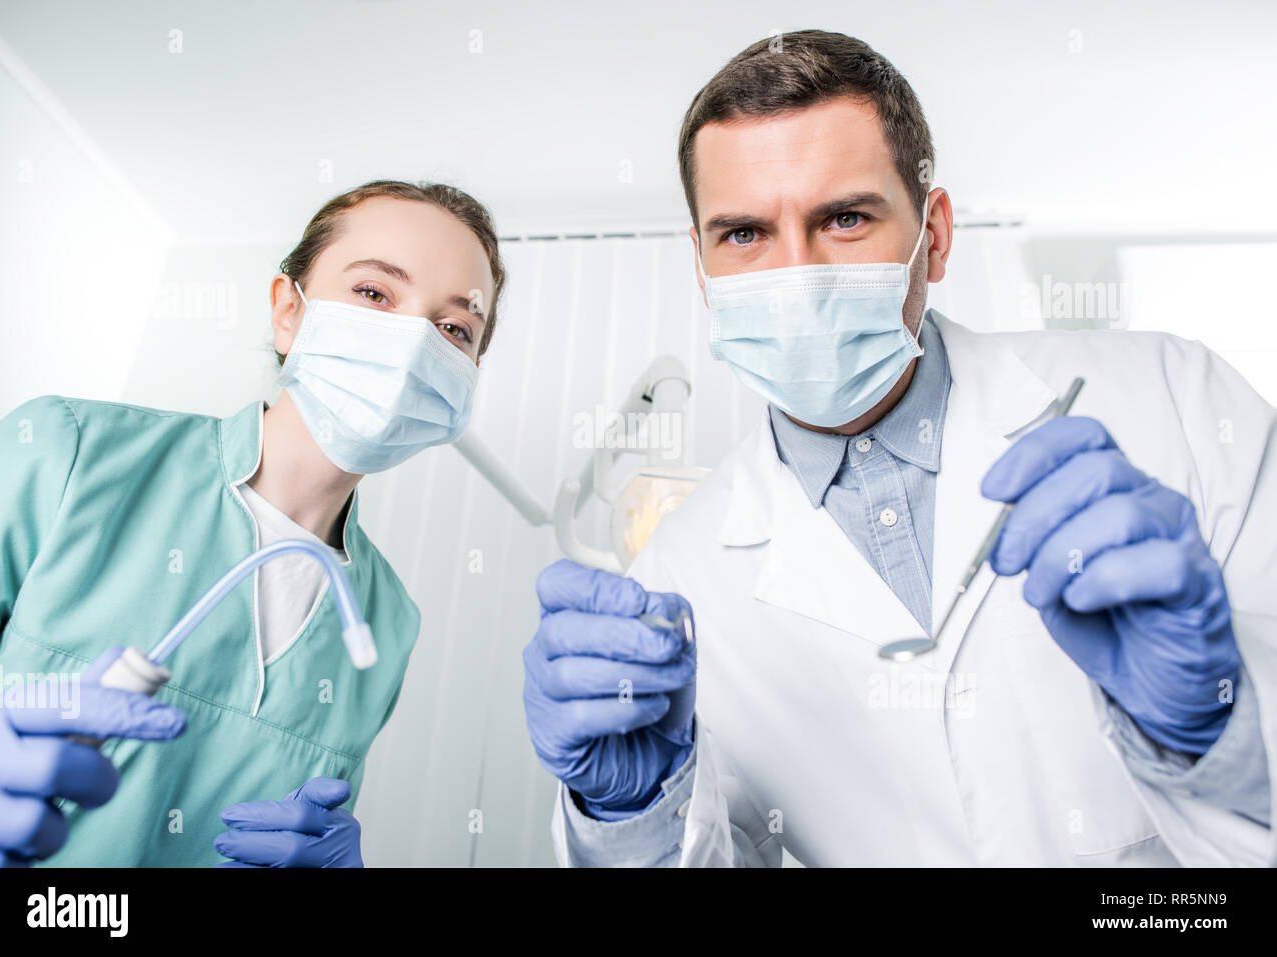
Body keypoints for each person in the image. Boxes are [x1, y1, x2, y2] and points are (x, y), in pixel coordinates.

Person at [522, 31, 1276, 866]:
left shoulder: (1173, 399)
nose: (797, 275)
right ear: (700, 266)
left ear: (936, 235)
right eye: (744, 234)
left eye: (844, 218)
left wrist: (1214, 725)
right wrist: (627, 817)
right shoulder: (676, 575)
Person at [0, 179, 506, 867]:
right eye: (375, 293)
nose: (412, 344)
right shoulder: (68, 450)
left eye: (455, 328)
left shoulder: (390, 624)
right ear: (289, 311)